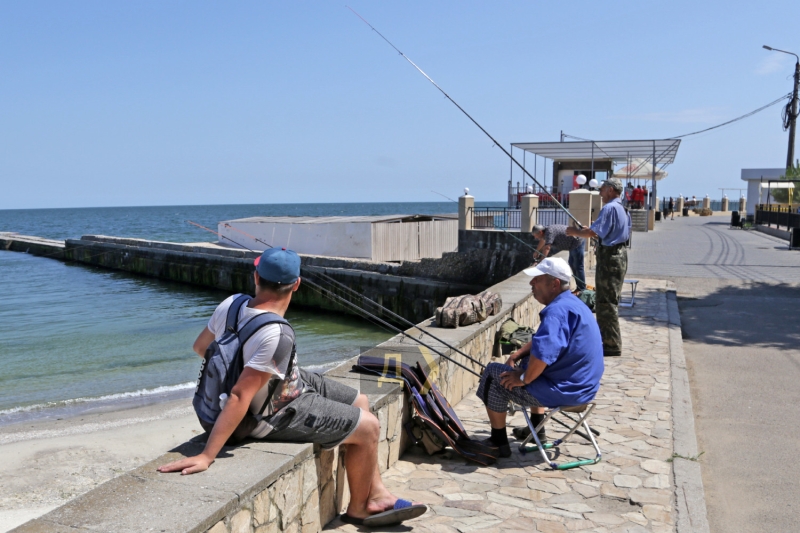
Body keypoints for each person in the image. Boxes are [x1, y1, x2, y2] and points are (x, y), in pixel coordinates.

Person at [158, 248, 426, 527]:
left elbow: (202, 348)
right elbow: (239, 395)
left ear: (256, 277)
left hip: (271, 390)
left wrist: (243, 371)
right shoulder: (276, 333)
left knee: (360, 401)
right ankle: (360, 507)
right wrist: (206, 455)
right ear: (296, 284)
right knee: (369, 426)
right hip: (266, 416)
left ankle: (377, 492)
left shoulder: (232, 304)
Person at [474, 258, 604, 457]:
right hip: (585, 388)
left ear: (555, 284)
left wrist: (523, 378)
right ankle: (537, 429)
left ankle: (497, 442)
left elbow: (542, 356)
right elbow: (542, 342)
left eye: (537, 280)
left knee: (493, 375)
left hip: (567, 392)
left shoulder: (556, 312)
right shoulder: (573, 304)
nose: (531, 284)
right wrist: (517, 355)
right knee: (527, 362)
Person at [566, 179, 630, 358]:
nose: (600, 192)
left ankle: (611, 345)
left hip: (610, 258)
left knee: (605, 303)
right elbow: (608, 232)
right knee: (610, 300)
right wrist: (592, 229)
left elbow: (594, 233)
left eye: (602, 189)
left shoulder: (609, 208)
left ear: (610, 190)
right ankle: (610, 342)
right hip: (620, 255)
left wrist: (575, 233)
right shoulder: (622, 208)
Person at [531, 224, 586, 291]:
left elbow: (547, 248)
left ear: (540, 232)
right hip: (572, 244)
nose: (535, 238)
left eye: (536, 236)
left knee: (578, 266)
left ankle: (582, 289)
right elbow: (543, 241)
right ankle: (580, 287)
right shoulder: (545, 232)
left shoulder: (549, 232)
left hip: (577, 241)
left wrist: (541, 262)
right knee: (572, 264)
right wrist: (537, 251)